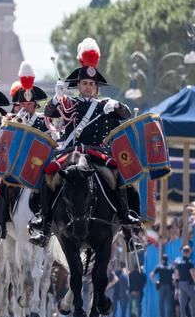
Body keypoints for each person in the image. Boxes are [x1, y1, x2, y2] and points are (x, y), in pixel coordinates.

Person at [29, 38, 142, 248]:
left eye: (92, 84)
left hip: (97, 153)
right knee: (48, 171)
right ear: (78, 85)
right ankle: (43, 222)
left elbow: (125, 115)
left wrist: (116, 105)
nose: (88, 87)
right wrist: (55, 98)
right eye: (85, 83)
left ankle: (127, 224)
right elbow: (50, 113)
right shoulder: (69, 103)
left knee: (119, 173)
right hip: (71, 153)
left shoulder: (104, 105)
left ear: (96, 87)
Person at [0, 62, 48, 239]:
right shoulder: (11, 119)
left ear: (35, 105)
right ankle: (0, 224)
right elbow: (2, 141)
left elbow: (50, 142)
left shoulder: (43, 121)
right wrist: (12, 123)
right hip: (17, 166)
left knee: (51, 183)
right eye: (23, 103)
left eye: (30, 104)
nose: (26, 106)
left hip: (36, 167)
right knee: (3, 183)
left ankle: (46, 222)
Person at [173, 244, 195, 317]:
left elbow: (176, 275)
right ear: (189, 252)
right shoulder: (190, 262)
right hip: (188, 283)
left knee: (182, 301)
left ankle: (182, 316)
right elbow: (192, 274)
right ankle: (193, 316)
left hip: (181, 283)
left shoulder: (179, 262)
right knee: (193, 299)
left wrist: (178, 283)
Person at [151, 253, 175, 317]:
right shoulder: (171, 267)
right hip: (169, 286)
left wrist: (155, 282)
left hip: (161, 286)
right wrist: (173, 283)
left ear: (162, 260)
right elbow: (174, 276)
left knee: (161, 302)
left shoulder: (159, 267)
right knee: (169, 303)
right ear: (167, 259)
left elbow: (152, 275)